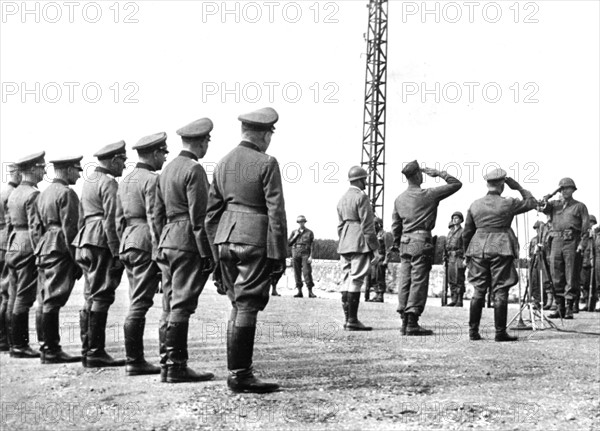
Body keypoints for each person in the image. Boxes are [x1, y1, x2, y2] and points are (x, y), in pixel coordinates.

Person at [206, 107, 286, 393]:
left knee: (237, 304)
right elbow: (276, 211)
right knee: (248, 304)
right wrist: (278, 254)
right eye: (269, 136)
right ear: (264, 134)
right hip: (254, 238)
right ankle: (241, 375)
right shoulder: (267, 162)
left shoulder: (223, 163)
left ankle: (237, 371)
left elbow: (210, 213)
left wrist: (216, 251)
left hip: (225, 236)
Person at [154, 119, 216, 384]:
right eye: (206, 142)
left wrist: (161, 242)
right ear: (202, 142)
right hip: (187, 241)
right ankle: (177, 365)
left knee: (168, 304)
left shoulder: (166, 170)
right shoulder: (195, 170)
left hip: (167, 240)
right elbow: (199, 218)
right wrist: (207, 254)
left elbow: (156, 214)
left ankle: (166, 364)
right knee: (181, 305)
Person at [463, 168, 537, 342]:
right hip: (501, 247)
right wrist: (518, 187)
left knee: (478, 290)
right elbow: (532, 202)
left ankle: (473, 332)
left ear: (487, 184)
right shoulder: (509, 202)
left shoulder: (475, 204)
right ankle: (499, 332)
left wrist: (467, 253)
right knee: (500, 289)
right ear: (502, 185)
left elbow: (467, 232)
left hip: (478, 248)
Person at [116, 132, 168, 376]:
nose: (164, 159)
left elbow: (117, 220)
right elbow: (155, 217)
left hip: (128, 241)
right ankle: (134, 361)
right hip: (146, 241)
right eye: (163, 153)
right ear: (155, 153)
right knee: (140, 302)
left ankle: (133, 359)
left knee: (134, 298)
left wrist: (122, 243)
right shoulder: (152, 180)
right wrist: (159, 248)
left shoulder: (125, 180)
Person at [73, 141, 127, 367]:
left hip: (85, 239)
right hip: (101, 241)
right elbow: (113, 221)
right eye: (122, 161)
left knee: (90, 295)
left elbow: (80, 216)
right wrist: (117, 252)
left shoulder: (89, 181)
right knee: (102, 294)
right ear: (114, 160)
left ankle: (88, 350)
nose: (124, 166)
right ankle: (95, 351)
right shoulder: (108, 183)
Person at [391, 161, 462, 336]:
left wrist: (398, 242)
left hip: (405, 242)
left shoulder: (399, 199)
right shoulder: (429, 194)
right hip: (421, 241)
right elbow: (456, 184)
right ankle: (412, 321)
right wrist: (438, 173)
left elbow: (395, 226)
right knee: (418, 280)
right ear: (417, 175)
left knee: (405, 280)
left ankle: (404, 321)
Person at [34, 156, 83, 364]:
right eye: (77, 170)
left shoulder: (43, 194)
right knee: (53, 300)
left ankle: (46, 347)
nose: (79, 174)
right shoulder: (67, 193)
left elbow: (36, 228)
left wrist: (40, 247)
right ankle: (52, 350)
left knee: (44, 299)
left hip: (45, 247)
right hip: (60, 248)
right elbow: (70, 230)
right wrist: (77, 260)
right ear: (69, 170)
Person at [5, 152, 45, 358]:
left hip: (13, 244)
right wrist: (40, 252)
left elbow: (10, 223)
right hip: (28, 244)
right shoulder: (33, 194)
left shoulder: (14, 193)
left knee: (13, 295)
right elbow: (35, 227)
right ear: (33, 169)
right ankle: (20, 345)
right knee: (24, 296)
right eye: (42, 168)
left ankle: (13, 344)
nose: (44, 171)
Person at [540, 178, 590, 320]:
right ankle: (559, 307)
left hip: (572, 242)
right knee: (556, 275)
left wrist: (582, 244)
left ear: (573, 190)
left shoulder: (580, 206)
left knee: (571, 274)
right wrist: (549, 196)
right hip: (556, 242)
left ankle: (569, 307)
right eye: (562, 189)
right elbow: (541, 206)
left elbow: (585, 228)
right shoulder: (554, 205)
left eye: (567, 188)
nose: (564, 191)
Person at [336, 166, 379, 331]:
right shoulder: (362, 197)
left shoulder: (342, 199)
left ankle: (348, 319)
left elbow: (340, 226)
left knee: (346, 279)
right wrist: (375, 249)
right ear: (360, 180)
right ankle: (352, 320)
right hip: (359, 241)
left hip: (345, 242)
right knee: (356, 279)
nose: (366, 182)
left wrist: (344, 240)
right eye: (365, 179)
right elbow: (368, 226)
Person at [0, 164, 21, 352]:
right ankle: (6, 338)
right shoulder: (13, 194)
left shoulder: (3, 192)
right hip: (8, 244)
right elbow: (11, 225)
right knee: (8, 294)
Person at [288, 215, 316, 298]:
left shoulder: (309, 232)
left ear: (304, 222)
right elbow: (289, 243)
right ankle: (299, 291)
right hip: (295, 252)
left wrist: (311, 256)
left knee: (307, 272)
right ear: (298, 223)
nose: (301, 223)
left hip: (305, 253)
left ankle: (310, 291)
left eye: (302, 222)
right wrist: (295, 236)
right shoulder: (294, 232)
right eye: (299, 222)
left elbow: (312, 245)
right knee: (297, 272)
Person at [528, 220, 552, 310]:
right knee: (535, 282)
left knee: (546, 281)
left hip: (544, 262)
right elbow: (530, 253)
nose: (537, 230)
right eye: (536, 229)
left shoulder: (546, 239)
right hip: (535, 263)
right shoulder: (534, 240)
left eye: (539, 228)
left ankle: (548, 301)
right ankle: (537, 301)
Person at [365, 217, 389, 303]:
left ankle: (380, 295)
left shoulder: (384, 234)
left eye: (375, 224)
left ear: (379, 224)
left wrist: (386, 260)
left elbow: (388, 248)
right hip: (374, 258)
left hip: (381, 258)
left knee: (380, 277)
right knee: (373, 276)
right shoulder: (374, 235)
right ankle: (376, 293)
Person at [445, 211, 466, 307]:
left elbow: (466, 246)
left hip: (459, 258)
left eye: (457, 218)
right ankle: (453, 299)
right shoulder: (450, 232)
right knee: (451, 279)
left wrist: (465, 258)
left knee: (459, 279)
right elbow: (446, 247)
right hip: (450, 258)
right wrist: (444, 259)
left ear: (461, 220)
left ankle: (459, 300)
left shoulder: (463, 232)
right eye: (453, 218)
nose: (454, 219)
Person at [579, 215, 597, 311]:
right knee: (585, 284)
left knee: (594, 284)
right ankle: (587, 302)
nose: (589, 225)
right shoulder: (584, 235)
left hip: (593, 263)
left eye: (591, 223)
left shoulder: (596, 235)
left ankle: (594, 303)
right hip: (585, 262)